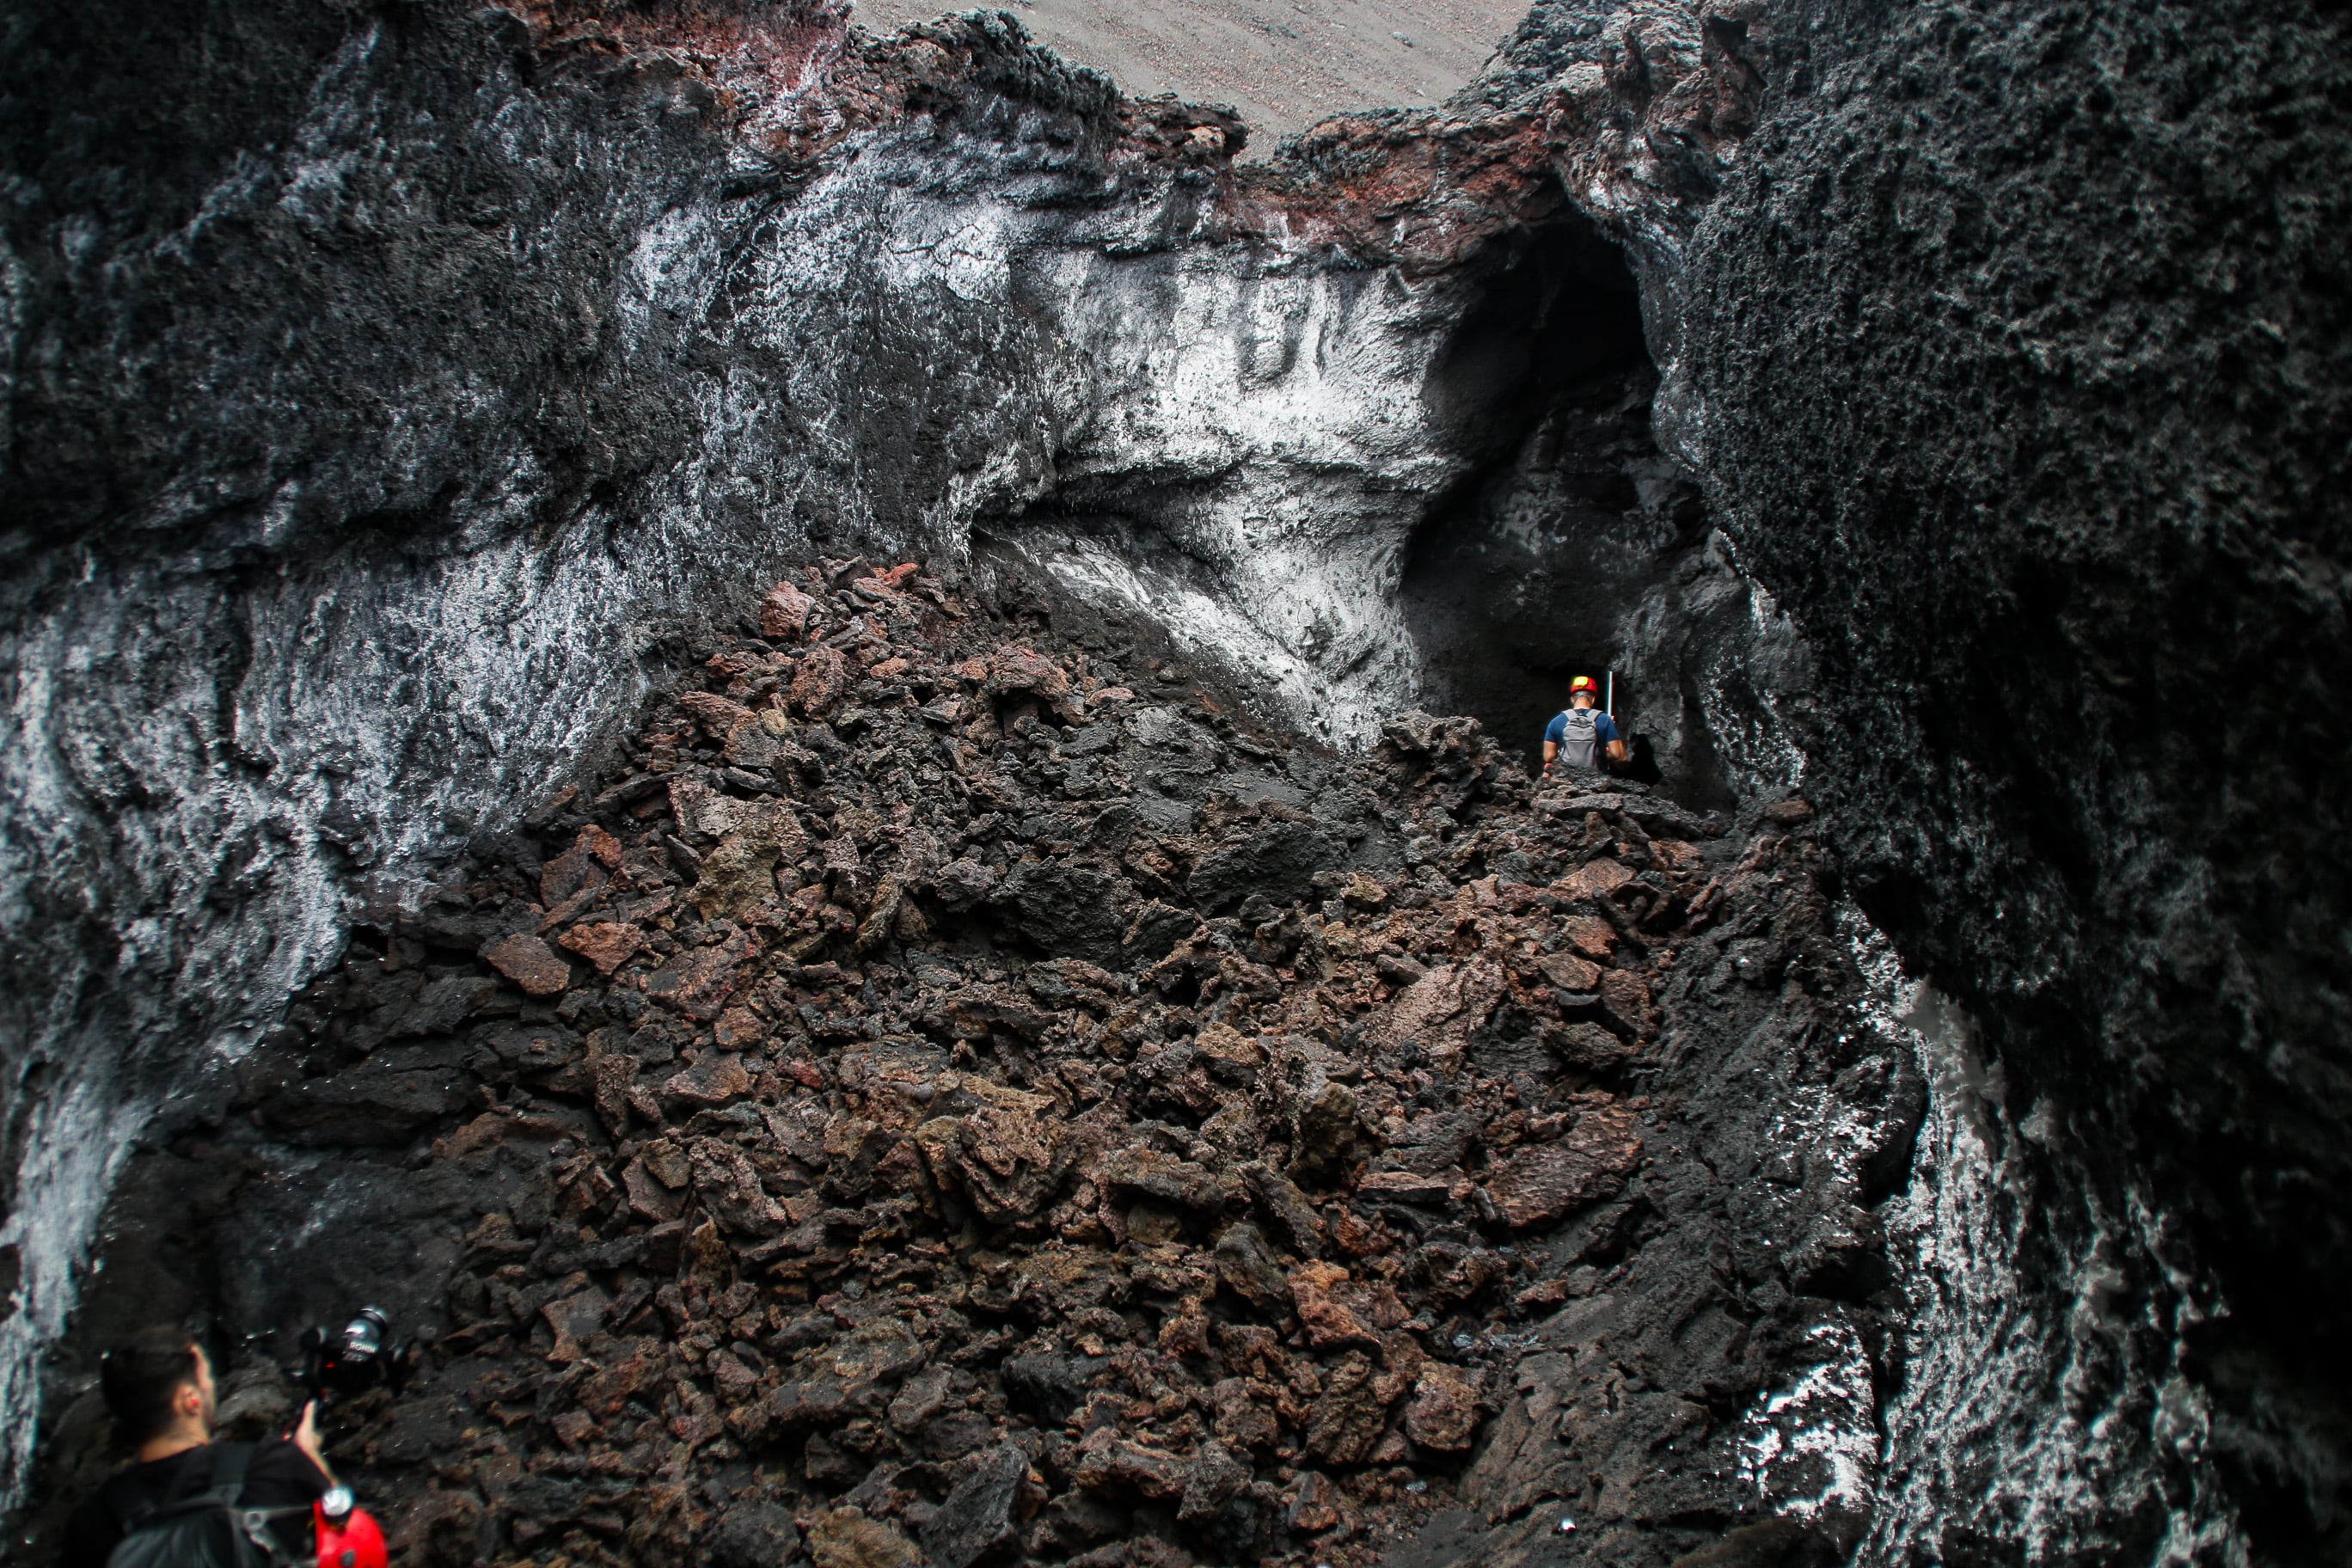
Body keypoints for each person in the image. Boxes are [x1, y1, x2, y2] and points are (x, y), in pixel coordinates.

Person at [60, 1326, 337, 1568]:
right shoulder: (271, 1466)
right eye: (207, 1377)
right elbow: (352, 1542)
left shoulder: (92, 1523)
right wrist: (310, 1460)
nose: (212, 1387)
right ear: (189, 1401)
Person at [1541, 675, 1628, 779]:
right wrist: (1602, 755)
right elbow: (1617, 755)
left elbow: (1548, 756)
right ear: (1593, 699)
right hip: (1597, 780)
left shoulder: (1556, 721)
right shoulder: (1604, 720)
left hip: (1566, 780)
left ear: (1573, 699)